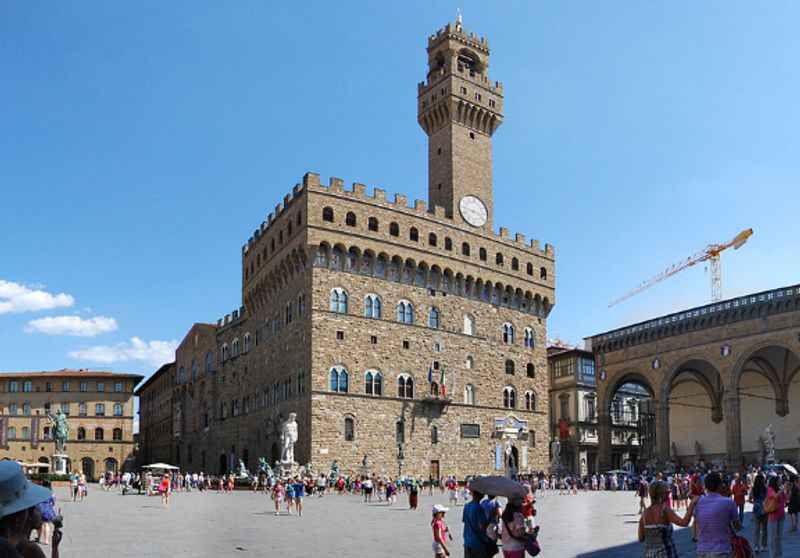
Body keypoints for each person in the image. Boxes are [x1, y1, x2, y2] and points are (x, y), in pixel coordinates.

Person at [0, 461, 60, 558]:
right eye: (33, 505)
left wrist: (54, 547)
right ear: (20, 517)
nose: (39, 510)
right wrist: (55, 549)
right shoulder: (28, 550)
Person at [638, 480, 697, 558]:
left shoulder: (644, 514)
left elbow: (641, 538)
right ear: (661, 494)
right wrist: (692, 504)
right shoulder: (664, 510)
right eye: (667, 490)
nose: (669, 491)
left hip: (650, 554)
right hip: (666, 553)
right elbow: (684, 522)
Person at [694, 471, 741, 558]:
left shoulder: (698, 502)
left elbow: (697, 524)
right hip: (722, 549)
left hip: (702, 550)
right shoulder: (728, 502)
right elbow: (737, 527)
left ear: (706, 486)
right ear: (720, 485)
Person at [462, 490, 494, 558]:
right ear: (481, 495)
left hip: (467, 541)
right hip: (478, 543)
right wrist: (491, 516)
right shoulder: (479, 508)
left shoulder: (466, 506)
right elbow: (483, 526)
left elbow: (465, 521)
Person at [765, 475, 787, 558]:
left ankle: (779, 555)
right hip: (773, 516)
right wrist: (782, 490)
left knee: (779, 537)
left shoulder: (780, 489)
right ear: (775, 482)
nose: (780, 481)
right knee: (772, 538)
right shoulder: (770, 489)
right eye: (779, 480)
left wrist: (787, 491)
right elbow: (775, 496)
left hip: (781, 515)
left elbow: (786, 499)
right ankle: (772, 555)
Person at [750, 473, 769, 553]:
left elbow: (750, 499)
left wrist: (755, 502)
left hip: (756, 510)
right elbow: (768, 499)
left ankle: (756, 547)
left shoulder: (753, 489)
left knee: (756, 530)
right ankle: (764, 546)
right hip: (765, 510)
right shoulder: (766, 489)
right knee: (764, 529)